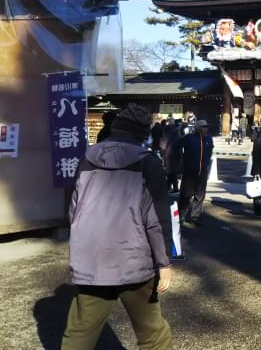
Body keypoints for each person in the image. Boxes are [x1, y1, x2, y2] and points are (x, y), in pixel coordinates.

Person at [62, 104, 173, 349]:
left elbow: (71, 210)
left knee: (80, 333)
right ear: (144, 133)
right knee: (153, 333)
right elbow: (157, 220)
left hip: (91, 259)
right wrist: (164, 262)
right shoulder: (148, 163)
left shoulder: (87, 158)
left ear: (115, 127)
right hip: (134, 261)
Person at [176, 120, 214, 225]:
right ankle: (181, 215)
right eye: (203, 127)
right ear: (198, 128)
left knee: (200, 196)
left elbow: (210, 151)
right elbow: (176, 145)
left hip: (202, 172)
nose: (206, 129)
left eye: (206, 127)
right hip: (189, 172)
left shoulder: (209, 139)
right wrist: (181, 160)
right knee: (185, 195)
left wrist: (206, 163)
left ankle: (195, 217)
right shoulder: (189, 138)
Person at [160, 120, 183, 193]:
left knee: (171, 172)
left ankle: (168, 188)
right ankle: (171, 188)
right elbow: (180, 146)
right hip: (175, 156)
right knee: (172, 173)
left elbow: (163, 145)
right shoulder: (177, 134)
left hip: (168, 155)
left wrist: (163, 153)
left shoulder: (166, 133)